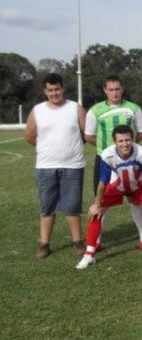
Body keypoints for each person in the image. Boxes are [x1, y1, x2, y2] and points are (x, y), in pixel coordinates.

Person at [76, 126, 142, 269]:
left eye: (127, 140)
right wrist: (96, 203)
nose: (125, 144)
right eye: (120, 141)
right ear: (115, 142)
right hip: (118, 185)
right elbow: (103, 181)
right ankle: (89, 255)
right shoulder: (107, 154)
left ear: (132, 140)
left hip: (140, 185)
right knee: (96, 212)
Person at [84, 74, 142, 253]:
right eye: (111, 89)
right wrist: (107, 150)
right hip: (105, 161)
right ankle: (96, 241)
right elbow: (89, 136)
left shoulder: (133, 108)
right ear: (105, 90)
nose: (114, 93)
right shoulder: (95, 110)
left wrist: (129, 149)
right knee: (100, 201)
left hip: (130, 162)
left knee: (135, 200)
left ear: (122, 89)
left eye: (117, 89)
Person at [25, 73, 86, 258]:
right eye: (50, 90)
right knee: (47, 206)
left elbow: (86, 133)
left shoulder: (75, 108)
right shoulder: (37, 110)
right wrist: (48, 149)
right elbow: (30, 136)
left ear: (63, 88)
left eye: (57, 89)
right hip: (45, 167)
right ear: (45, 91)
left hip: (73, 166)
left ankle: (77, 241)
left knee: (72, 206)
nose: (54, 93)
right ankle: (44, 244)